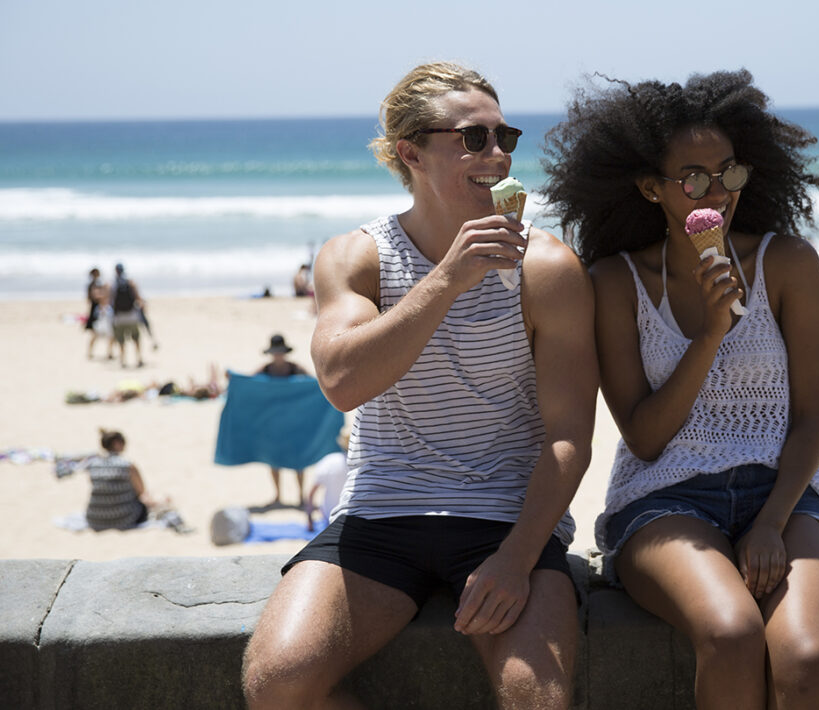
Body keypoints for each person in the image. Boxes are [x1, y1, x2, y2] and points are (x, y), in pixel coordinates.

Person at [242, 61, 597, 710]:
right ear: (411, 152)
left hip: (507, 516)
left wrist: (518, 558)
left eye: (504, 137)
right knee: (277, 681)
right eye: (473, 139)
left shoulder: (546, 266)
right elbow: (343, 383)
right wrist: (446, 280)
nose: (497, 155)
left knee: (534, 696)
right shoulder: (358, 257)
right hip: (381, 510)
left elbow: (570, 433)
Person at [544, 69, 819, 709]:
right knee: (731, 631)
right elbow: (647, 437)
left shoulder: (787, 264)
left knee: (806, 653)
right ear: (650, 187)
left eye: (729, 172)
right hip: (665, 499)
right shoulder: (615, 282)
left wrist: (770, 522)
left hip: (788, 496)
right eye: (694, 179)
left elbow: (812, 420)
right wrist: (712, 332)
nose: (718, 192)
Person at [84, 429, 185, 531]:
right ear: (117, 444)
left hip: (94, 518)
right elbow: (141, 493)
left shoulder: (93, 465)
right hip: (124, 518)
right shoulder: (127, 465)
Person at [256, 334, 309, 505]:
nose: (277, 355)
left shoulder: (296, 368)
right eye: (275, 352)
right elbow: (249, 385)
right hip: (273, 423)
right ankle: (278, 496)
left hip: (294, 422)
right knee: (273, 460)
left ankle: (301, 496)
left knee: (298, 461)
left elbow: (313, 386)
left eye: (280, 352)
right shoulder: (265, 369)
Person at [110, 263, 145, 368]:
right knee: (136, 338)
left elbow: (109, 301)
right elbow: (138, 299)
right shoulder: (131, 282)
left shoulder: (113, 284)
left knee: (121, 340)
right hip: (132, 316)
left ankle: (123, 360)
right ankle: (139, 359)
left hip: (119, 317)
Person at [83, 268, 110, 359]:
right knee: (95, 334)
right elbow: (93, 297)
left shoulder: (96, 284)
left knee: (107, 333)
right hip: (95, 310)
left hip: (99, 310)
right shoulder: (93, 285)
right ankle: (90, 352)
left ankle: (108, 352)